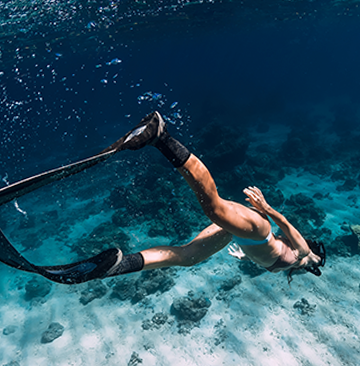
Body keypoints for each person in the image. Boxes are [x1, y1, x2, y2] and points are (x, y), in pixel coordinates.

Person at [40, 111, 326, 284]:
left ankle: (116, 266)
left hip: (245, 237)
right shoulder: (303, 256)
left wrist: (244, 252)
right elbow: (287, 226)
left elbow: (270, 255)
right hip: (259, 230)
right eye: (315, 262)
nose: (313, 265)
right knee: (214, 209)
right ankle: (161, 136)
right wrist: (267, 208)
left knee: (189, 257)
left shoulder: (291, 265)